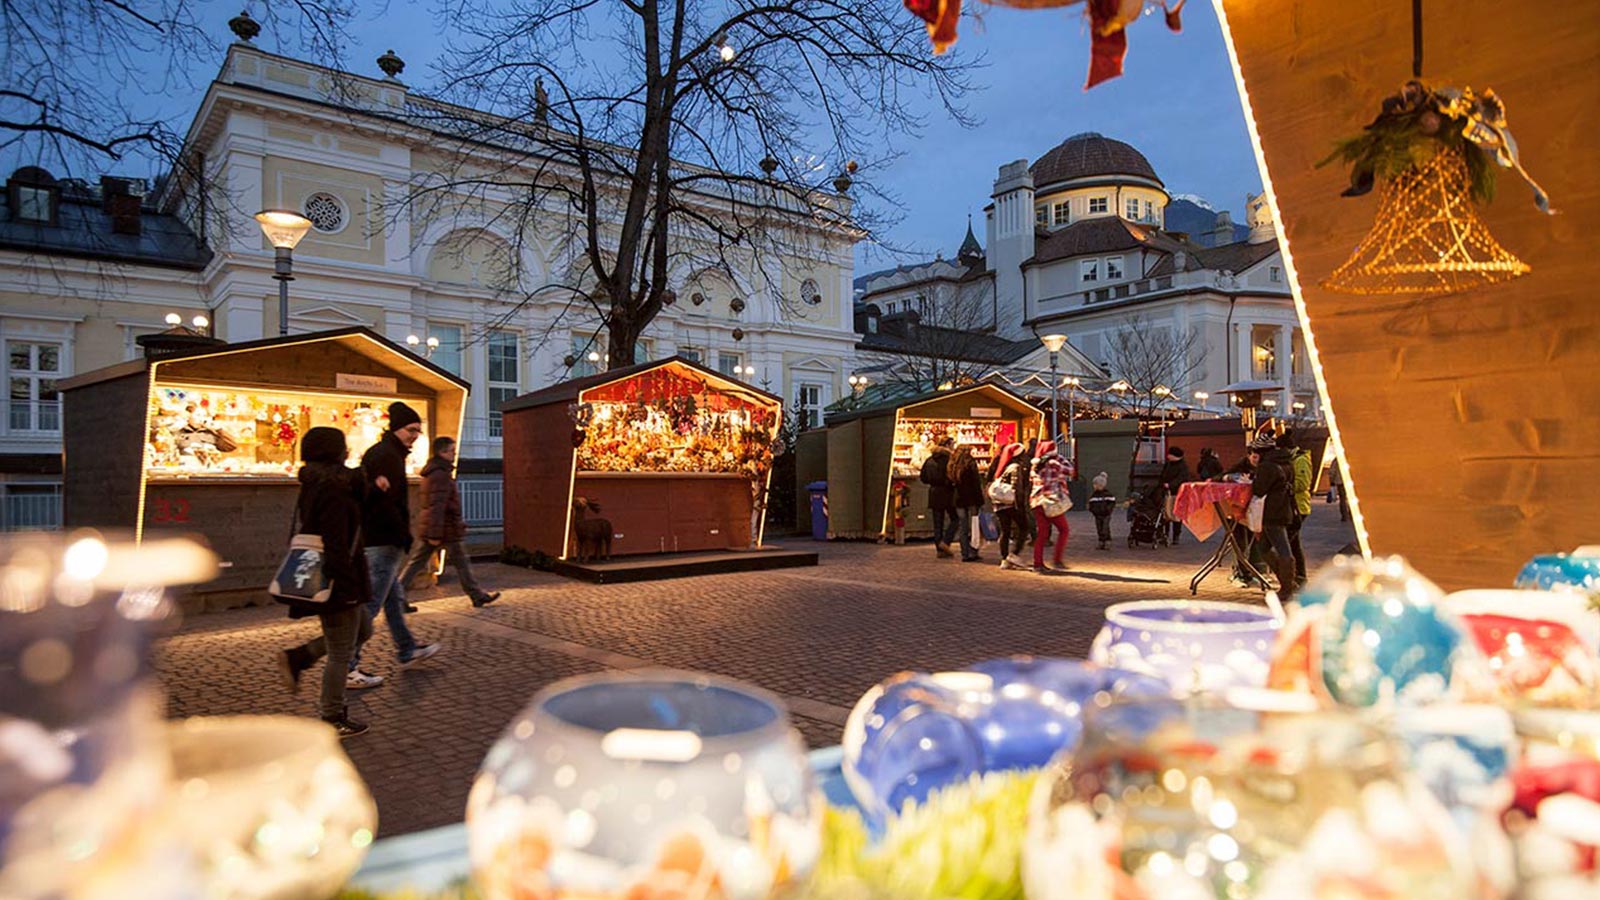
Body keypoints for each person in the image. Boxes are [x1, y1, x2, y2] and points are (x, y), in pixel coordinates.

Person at [276, 427, 373, 738]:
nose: (348, 452)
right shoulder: (331, 489)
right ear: (334, 452)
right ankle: (332, 714)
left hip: (345, 576)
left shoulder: (323, 484)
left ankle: (300, 656)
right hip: (337, 579)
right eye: (343, 447)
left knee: (364, 629)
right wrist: (344, 585)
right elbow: (335, 542)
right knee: (341, 651)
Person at [350, 401, 441, 681]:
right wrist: (401, 534)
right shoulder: (387, 456)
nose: (415, 435)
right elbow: (383, 502)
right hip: (383, 540)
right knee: (373, 603)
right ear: (397, 428)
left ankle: (407, 648)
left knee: (392, 598)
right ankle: (348, 665)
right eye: (411, 430)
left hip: (380, 538)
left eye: (418, 430)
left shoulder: (387, 453)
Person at [399, 436, 501, 607]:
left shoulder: (435, 472)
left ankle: (476, 594)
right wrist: (435, 533)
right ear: (442, 452)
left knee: (421, 562)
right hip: (444, 527)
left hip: (440, 527)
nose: (454, 454)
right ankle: (476, 595)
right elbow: (437, 506)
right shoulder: (440, 475)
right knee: (455, 563)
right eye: (452, 451)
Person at [1248, 431, 1299, 603]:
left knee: (1283, 549)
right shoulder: (1286, 462)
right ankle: (1288, 582)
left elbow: (1259, 490)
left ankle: (1287, 588)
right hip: (1284, 508)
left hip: (1271, 512)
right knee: (1263, 547)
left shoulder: (1267, 466)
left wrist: (1254, 478)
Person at [1029, 440, 1072, 574]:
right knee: (1064, 529)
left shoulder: (1036, 465)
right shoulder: (1055, 463)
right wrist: (1059, 461)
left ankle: (1038, 563)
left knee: (1042, 533)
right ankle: (1057, 558)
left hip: (1037, 501)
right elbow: (1070, 471)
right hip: (1050, 501)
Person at [990, 443, 1030, 570]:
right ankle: (1014, 554)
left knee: (1005, 531)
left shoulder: (1002, 466)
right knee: (1024, 527)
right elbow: (1016, 487)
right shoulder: (1016, 467)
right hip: (1011, 504)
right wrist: (1020, 505)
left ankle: (1004, 557)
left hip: (999, 504)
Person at [1281, 431, 1313, 586]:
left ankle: (1298, 575)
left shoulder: (1300, 460)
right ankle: (1299, 575)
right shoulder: (1293, 459)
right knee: (1293, 543)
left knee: (1289, 542)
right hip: (1293, 505)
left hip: (1299, 507)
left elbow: (1303, 483)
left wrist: (1285, 485)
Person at [920, 436, 958, 558]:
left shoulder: (929, 460)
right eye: (952, 445)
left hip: (934, 492)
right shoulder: (949, 460)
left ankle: (939, 549)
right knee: (955, 519)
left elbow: (923, 477)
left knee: (938, 522)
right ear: (947, 446)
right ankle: (945, 542)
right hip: (947, 492)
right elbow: (952, 476)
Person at [949, 445, 985, 563]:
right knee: (974, 525)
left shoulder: (953, 464)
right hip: (971, 498)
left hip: (958, 498)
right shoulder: (970, 463)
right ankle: (974, 550)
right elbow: (976, 482)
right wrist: (980, 499)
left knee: (963, 526)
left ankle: (965, 552)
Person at [1158, 446, 1192, 546]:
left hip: (1177, 493)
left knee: (1176, 515)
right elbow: (1162, 475)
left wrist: (1170, 484)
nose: (1168, 456)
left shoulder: (1182, 466)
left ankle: (1176, 536)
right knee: (1165, 514)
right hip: (1167, 492)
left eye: (1170, 454)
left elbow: (1182, 478)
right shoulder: (1168, 464)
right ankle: (1165, 534)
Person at [1087, 471, 1116, 551]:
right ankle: (1101, 541)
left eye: (1095, 484)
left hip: (1106, 514)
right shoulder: (1094, 495)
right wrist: (1092, 510)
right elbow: (1091, 503)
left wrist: (1108, 510)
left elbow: (1112, 503)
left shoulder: (1108, 494)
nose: (1094, 486)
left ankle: (1107, 541)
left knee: (1105, 527)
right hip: (1097, 514)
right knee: (1099, 528)